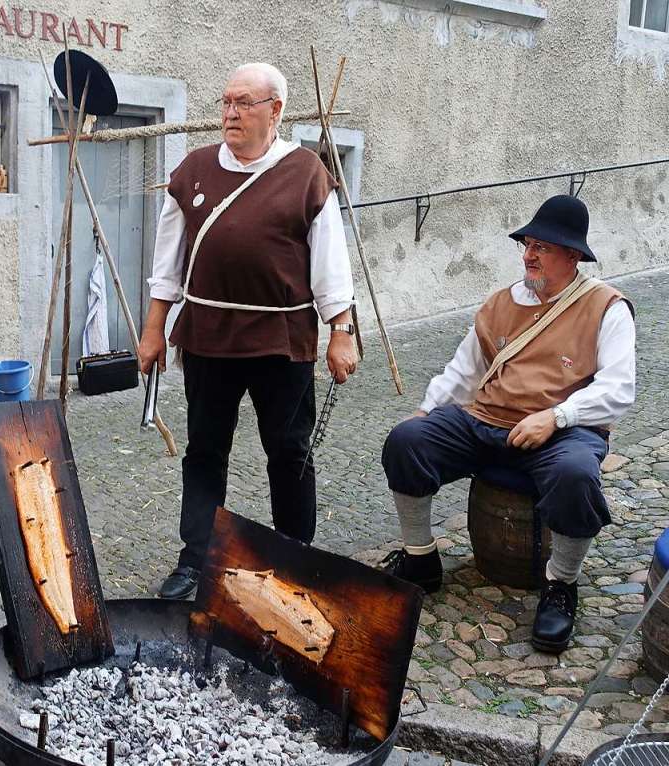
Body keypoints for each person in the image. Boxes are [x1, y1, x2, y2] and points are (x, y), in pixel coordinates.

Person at [137, 62, 359, 600]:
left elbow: (331, 261)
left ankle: (293, 558)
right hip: (208, 333)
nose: (230, 113)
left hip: (281, 342)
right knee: (205, 450)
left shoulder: (306, 173)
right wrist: (153, 329)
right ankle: (197, 558)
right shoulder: (191, 170)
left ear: (275, 111)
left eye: (244, 103)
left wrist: (342, 330)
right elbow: (167, 261)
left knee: (288, 451)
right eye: (226, 102)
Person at [380, 194, 636, 654]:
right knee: (407, 441)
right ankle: (420, 559)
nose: (529, 254)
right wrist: (427, 408)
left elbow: (619, 390)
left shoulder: (606, 307)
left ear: (573, 256)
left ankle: (561, 585)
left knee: (576, 474)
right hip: (487, 421)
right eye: (528, 243)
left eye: (543, 246)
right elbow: (464, 370)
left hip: (562, 432)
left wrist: (556, 417)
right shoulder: (501, 303)